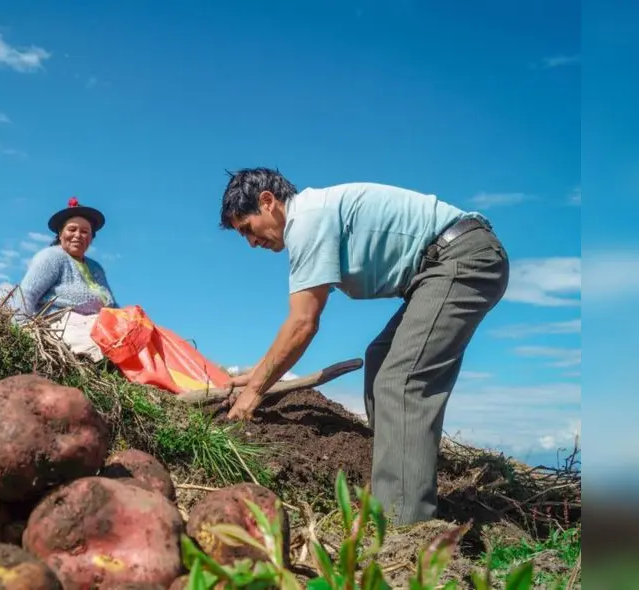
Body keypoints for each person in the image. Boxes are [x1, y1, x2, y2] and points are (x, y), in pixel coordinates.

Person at [218, 167, 509, 526]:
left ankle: (406, 528)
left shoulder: (306, 220)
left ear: (268, 202)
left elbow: (302, 323)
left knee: (402, 380)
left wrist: (253, 393)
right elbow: (298, 323)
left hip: (462, 258)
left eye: (247, 228)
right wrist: (259, 372)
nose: (250, 243)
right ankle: (397, 484)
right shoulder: (312, 215)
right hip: (442, 266)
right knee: (381, 357)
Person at [18, 197, 118, 360]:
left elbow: (112, 305)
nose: (78, 235)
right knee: (100, 351)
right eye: (72, 229)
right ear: (60, 233)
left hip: (101, 326)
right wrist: (22, 332)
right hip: (63, 324)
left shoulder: (96, 268)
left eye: (85, 232)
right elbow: (26, 294)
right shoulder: (51, 257)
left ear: (91, 238)